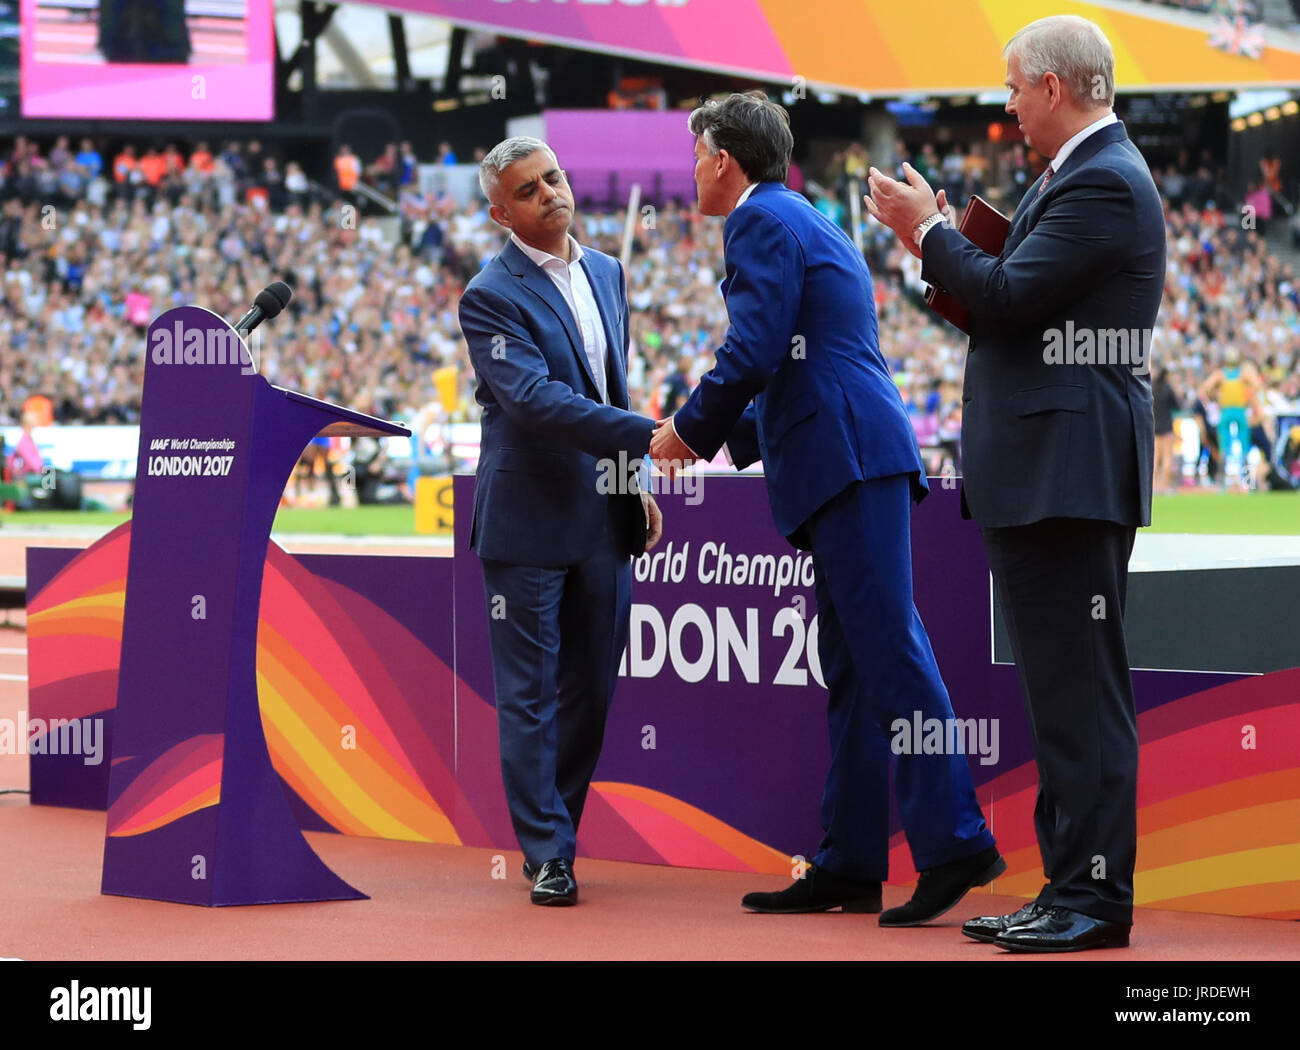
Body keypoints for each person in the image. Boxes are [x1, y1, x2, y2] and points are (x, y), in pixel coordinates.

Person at [650, 91, 1003, 927]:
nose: (692, 168)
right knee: (854, 668)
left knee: (891, 653)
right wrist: (716, 435)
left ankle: (956, 842)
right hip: (845, 454)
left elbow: (755, 351)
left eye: (697, 151)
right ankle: (848, 861)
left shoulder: (759, 224)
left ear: (724, 159)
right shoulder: (798, 217)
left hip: (846, 459)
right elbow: (789, 363)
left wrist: (687, 432)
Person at [865, 14, 1164, 952]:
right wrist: (951, 247)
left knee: (1081, 704)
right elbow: (1008, 305)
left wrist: (930, 233)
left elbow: (1005, 296)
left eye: (1009, 88)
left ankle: (1093, 901)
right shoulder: (1077, 176)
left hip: (1065, 474)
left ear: (1051, 87)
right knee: (1063, 702)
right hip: (1047, 469)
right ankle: (1068, 889)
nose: (1003, 107)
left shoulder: (1104, 181)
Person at [457, 136, 663, 907]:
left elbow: (610, 382)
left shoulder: (608, 272)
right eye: (529, 189)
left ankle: (557, 832)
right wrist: (649, 433)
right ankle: (546, 849)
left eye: (554, 178)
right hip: (527, 521)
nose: (550, 193)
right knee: (529, 696)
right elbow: (534, 401)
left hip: (602, 514)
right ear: (499, 212)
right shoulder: (489, 294)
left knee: (593, 694)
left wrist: (634, 481)